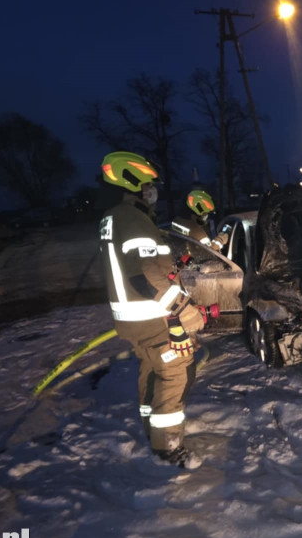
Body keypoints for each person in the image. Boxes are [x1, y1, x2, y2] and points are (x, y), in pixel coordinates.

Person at [98, 151, 204, 467]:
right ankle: (168, 447)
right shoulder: (133, 219)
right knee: (176, 373)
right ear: (132, 184)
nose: (152, 191)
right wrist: (184, 309)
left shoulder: (112, 218)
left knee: (152, 370)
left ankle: (152, 427)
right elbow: (145, 276)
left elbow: (144, 267)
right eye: (148, 184)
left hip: (132, 320)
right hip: (150, 316)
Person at [172, 177, 230, 252]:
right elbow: (210, 252)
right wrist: (221, 240)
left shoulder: (178, 220)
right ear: (199, 210)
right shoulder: (197, 232)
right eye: (206, 213)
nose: (206, 216)